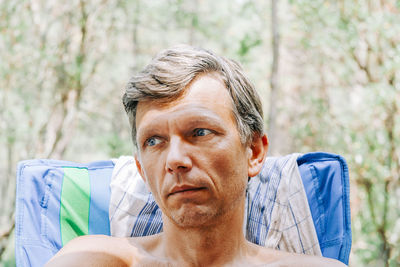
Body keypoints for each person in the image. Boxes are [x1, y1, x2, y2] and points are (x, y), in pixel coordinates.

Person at [46, 45, 345, 266]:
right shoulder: (94, 259)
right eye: (154, 140)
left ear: (253, 152)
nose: (175, 159)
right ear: (141, 169)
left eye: (199, 132)